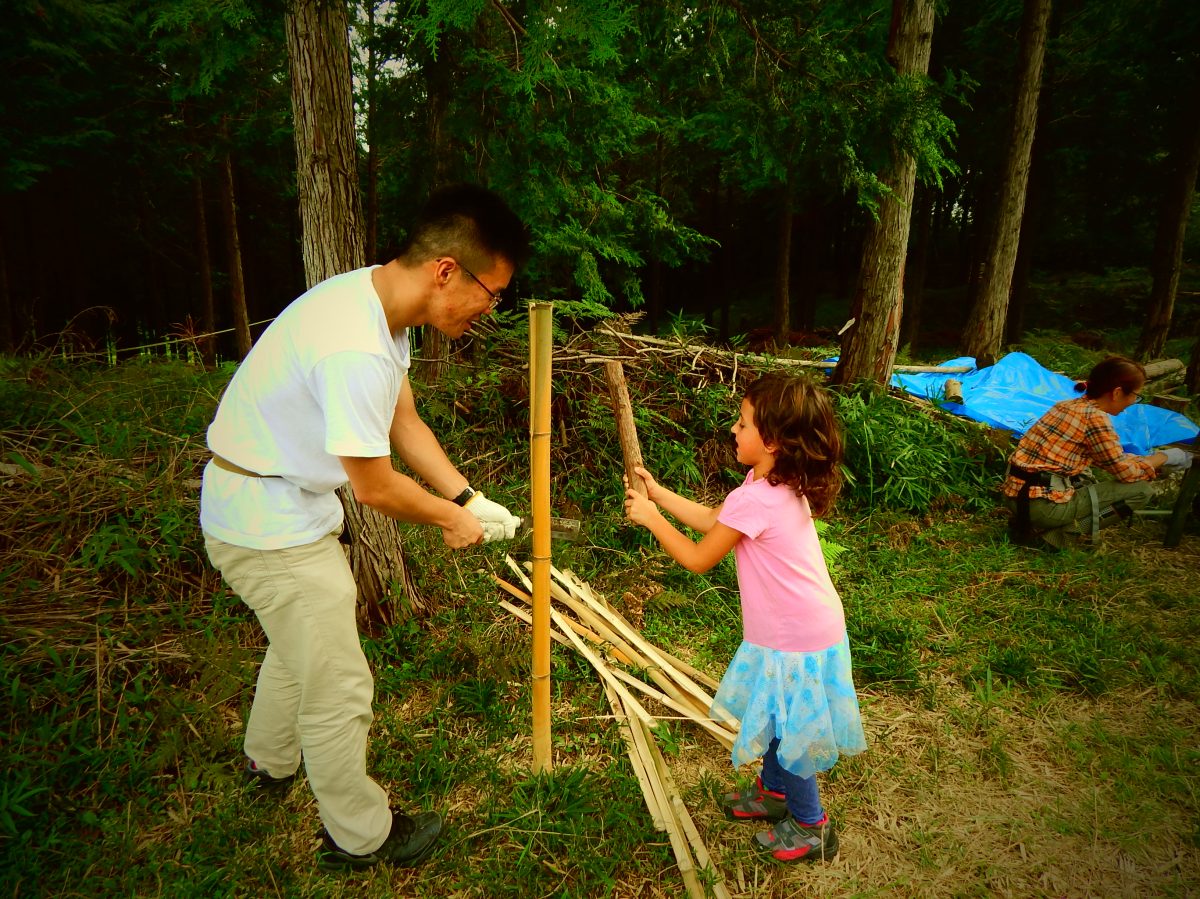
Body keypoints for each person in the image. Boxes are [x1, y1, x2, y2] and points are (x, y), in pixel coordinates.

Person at [200, 184, 529, 870]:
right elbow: (375, 486)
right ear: (447, 270)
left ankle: (268, 759)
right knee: (339, 683)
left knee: (303, 642)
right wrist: (450, 518)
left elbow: (403, 420)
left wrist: (466, 494)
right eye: (492, 294)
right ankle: (361, 835)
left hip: (275, 503)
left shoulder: (377, 306)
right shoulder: (356, 347)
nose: (490, 309)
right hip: (265, 521)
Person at [623, 372, 867, 864]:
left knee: (793, 734)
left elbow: (698, 558)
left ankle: (812, 826)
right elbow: (717, 520)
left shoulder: (757, 495)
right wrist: (660, 494)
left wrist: (651, 519)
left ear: (772, 441)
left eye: (743, 423)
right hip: (805, 628)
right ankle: (773, 793)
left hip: (795, 637)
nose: (734, 430)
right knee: (779, 715)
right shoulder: (769, 483)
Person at [1001, 355, 1191, 550]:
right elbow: (1126, 473)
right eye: (1136, 395)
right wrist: (1163, 458)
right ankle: (1057, 537)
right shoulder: (1095, 418)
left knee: (1086, 477)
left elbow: (1109, 458)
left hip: (1017, 497)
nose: (1134, 401)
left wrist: (1144, 460)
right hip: (1042, 507)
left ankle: (1030, 526)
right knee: (1141, 491)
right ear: (1117, 392)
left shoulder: (1066, 406)